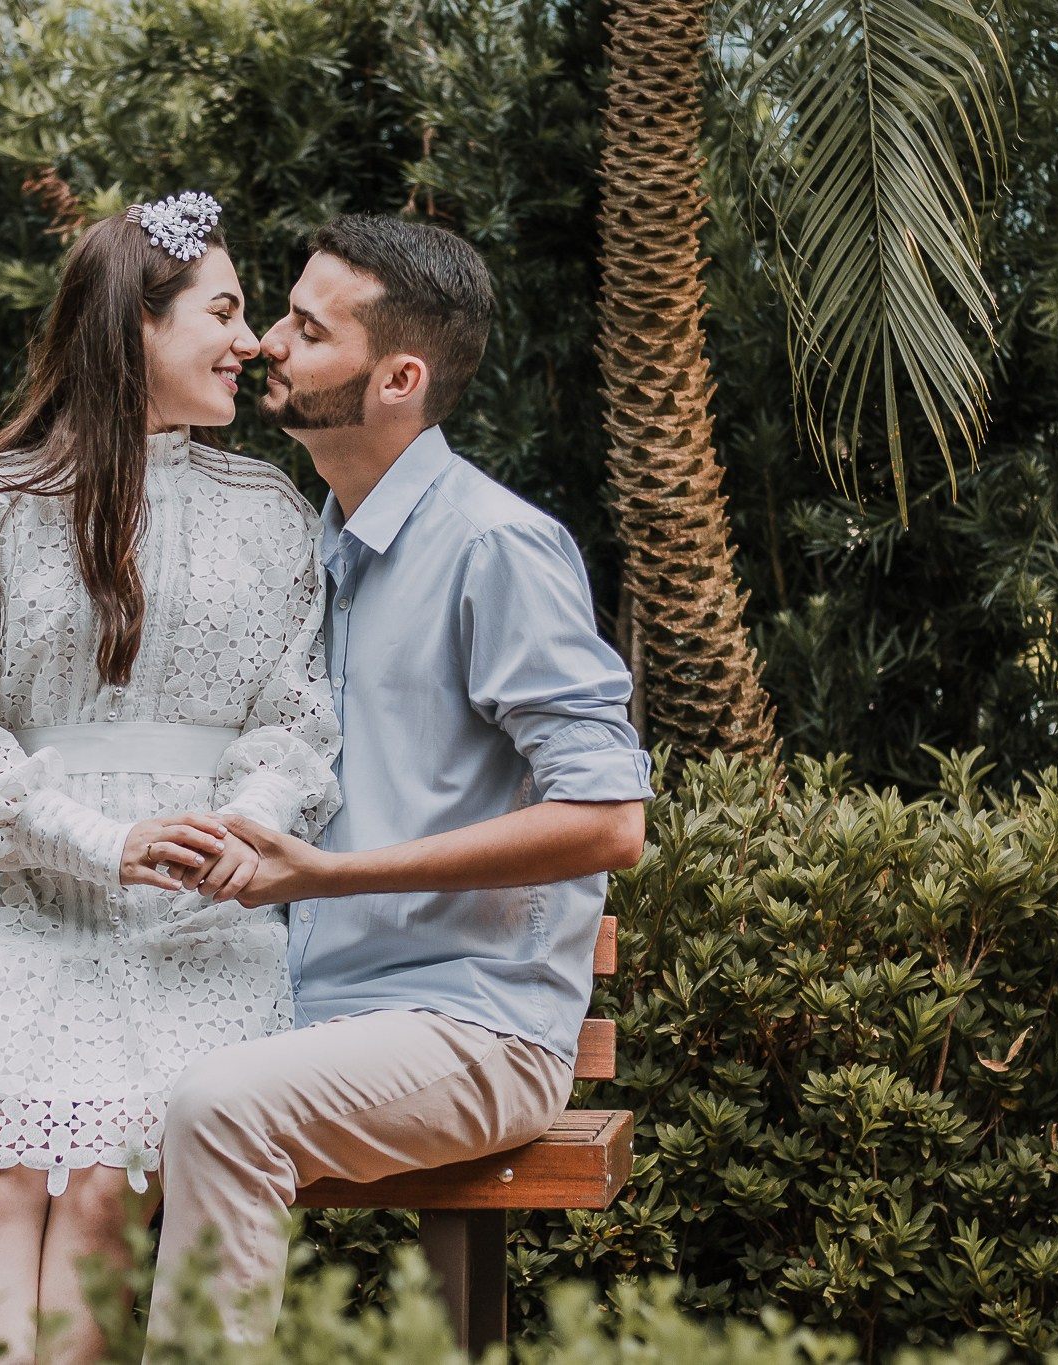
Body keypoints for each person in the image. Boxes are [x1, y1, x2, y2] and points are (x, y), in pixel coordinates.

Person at [147, 214, 651, 1340]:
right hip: (316, 1009)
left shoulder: (491, 547)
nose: (266, 342)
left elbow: (610, 822)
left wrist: (325, 875)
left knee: (220, 1110)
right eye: (277, 314)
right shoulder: (319, 540)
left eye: (306, 329)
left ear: (397, 378)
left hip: (474, 1028)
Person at [0, 192, 341, 1365]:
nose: (252, 343)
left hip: (197, 928)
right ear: (135, 323)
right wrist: (101, 842)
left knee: (95, 1193)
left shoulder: (271, 515)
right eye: (225, 311)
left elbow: (295, 726)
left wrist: (243, 828)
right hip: (19, 920)